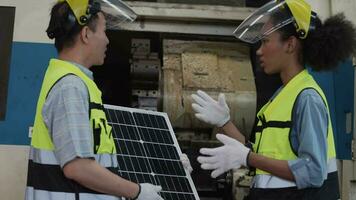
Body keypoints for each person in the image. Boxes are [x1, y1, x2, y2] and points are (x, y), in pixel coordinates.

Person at [25, 0, 191, 199]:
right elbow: (78, 167)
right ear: (86, 34)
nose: (107, 40)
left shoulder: (79, 84)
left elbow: (99, 158)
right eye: (104, 31)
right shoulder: (70, 86)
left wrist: (166, 162)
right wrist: (136, 192)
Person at [191, 0, 356, 199]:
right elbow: (262, 157)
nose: (259, 50)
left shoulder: (307, 98)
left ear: (290, 44)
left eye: (266, 41)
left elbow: (313, 172)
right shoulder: (282, 95)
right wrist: (225, 123)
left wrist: (248, 157)